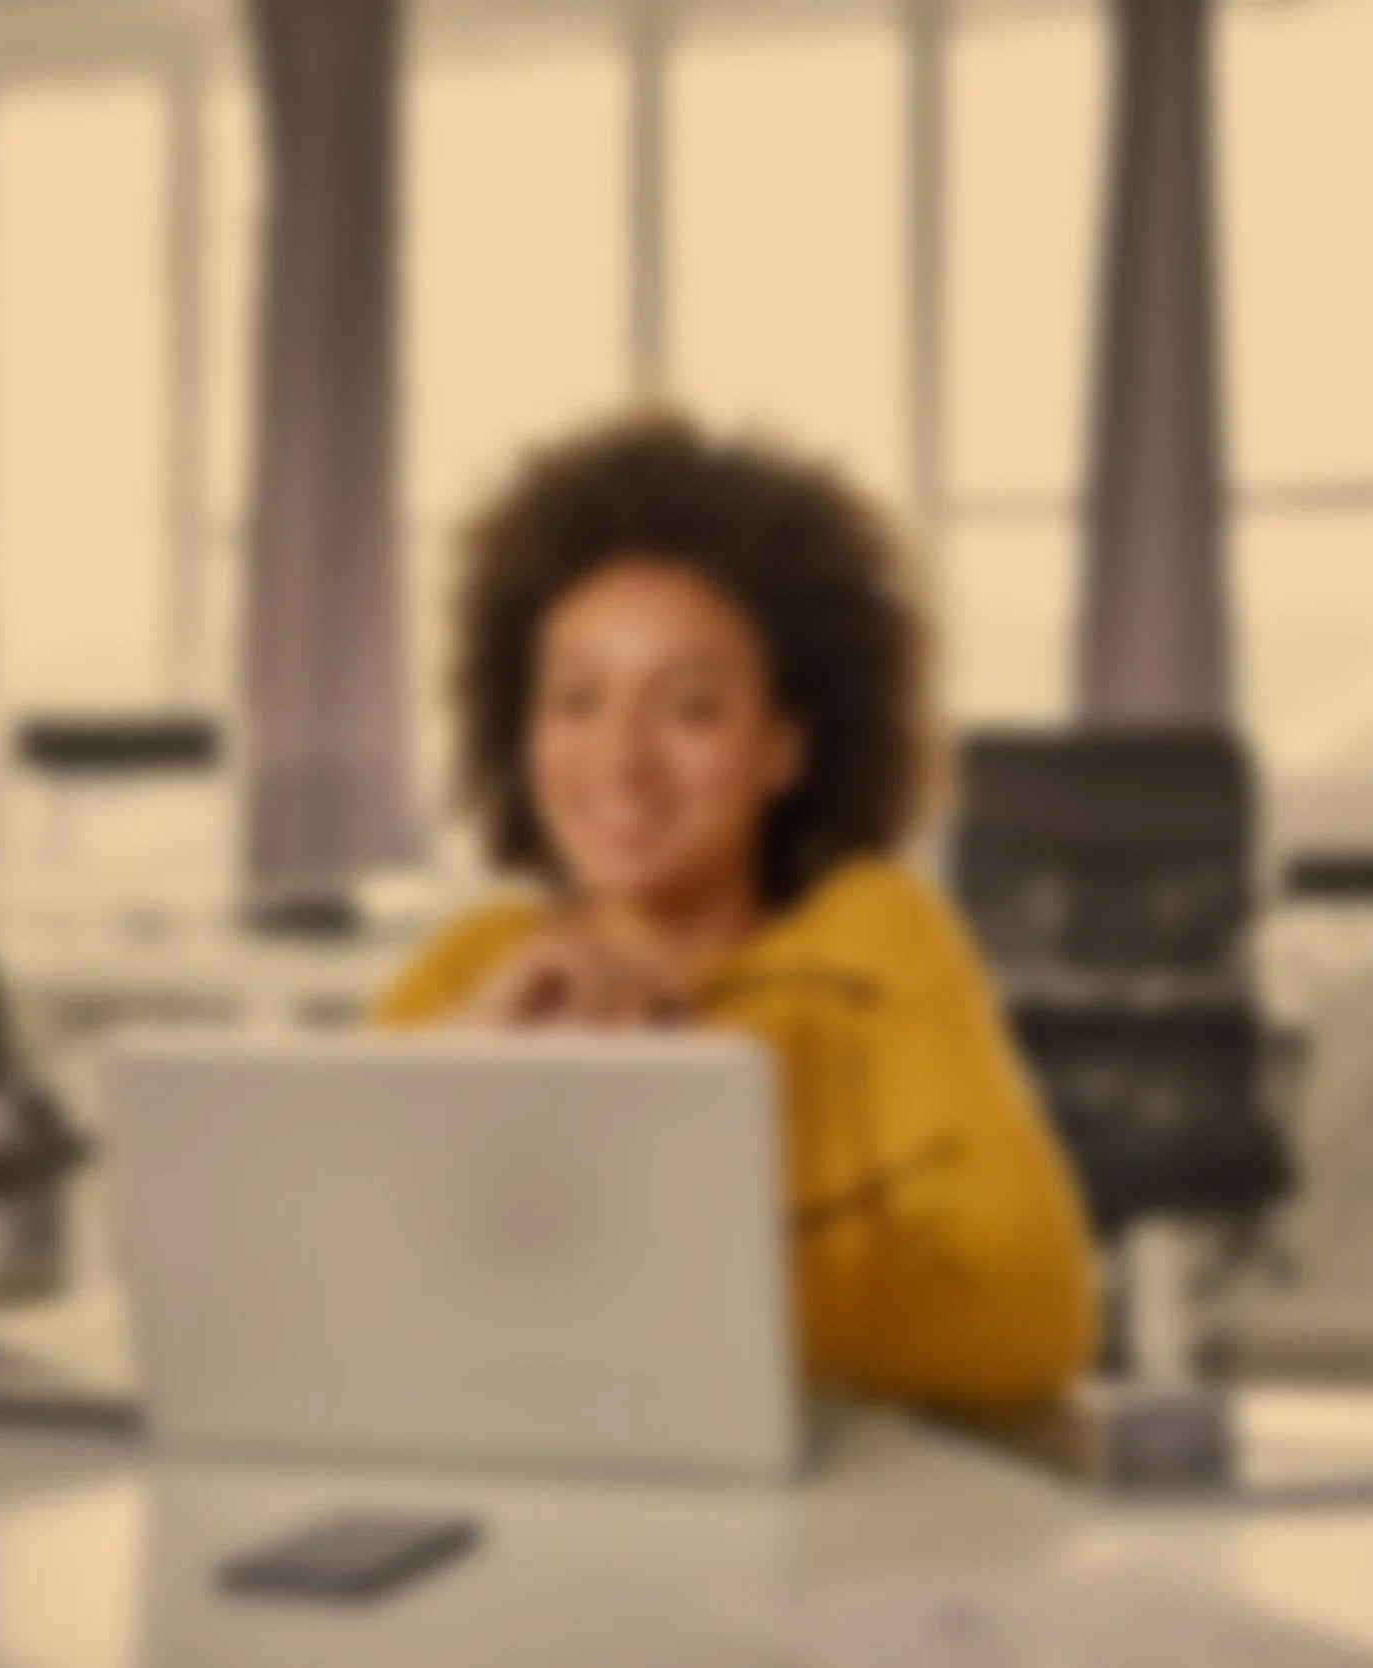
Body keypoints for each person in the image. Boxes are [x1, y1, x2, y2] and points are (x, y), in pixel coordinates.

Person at [372, 408, 1097, 1410]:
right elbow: (311, 1286)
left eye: (690, 708)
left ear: (782, 748)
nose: (620, 761)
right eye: (575, 701)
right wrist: (466, 1058)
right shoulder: (473, 969)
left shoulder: (877, 940)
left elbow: (1029, 1316)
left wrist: (626, 1302)